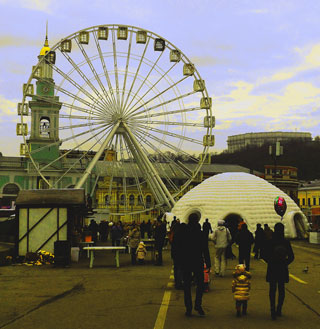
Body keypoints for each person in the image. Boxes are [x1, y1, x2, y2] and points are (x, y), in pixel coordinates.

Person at [177, 213, 211, 317]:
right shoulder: (201, 234)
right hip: (198, 261)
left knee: (187, 285)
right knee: (200, 284)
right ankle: (198, 304)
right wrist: (208, 263)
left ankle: (188, 307)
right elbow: (205, 249)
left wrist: (178, 261)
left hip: (186, 262)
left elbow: (179, 247)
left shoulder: (184, 233)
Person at [261, 222, 294, 320]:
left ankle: (272, 310)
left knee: (272, 289)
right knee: (281, 289)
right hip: (282, 268)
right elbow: (292, 256)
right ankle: (279, 309)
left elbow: (263, 254)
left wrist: (270, 261)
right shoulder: (285, 242)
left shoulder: (270, 241)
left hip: (272, 267)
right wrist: (285, 262)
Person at [170, 219, 183, 289]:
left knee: (176, 267)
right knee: (179, 268)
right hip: (179, 254)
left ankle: (176, 282)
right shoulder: (180, 235)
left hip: (174, 253)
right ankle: (179, 283)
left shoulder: (174, 234)